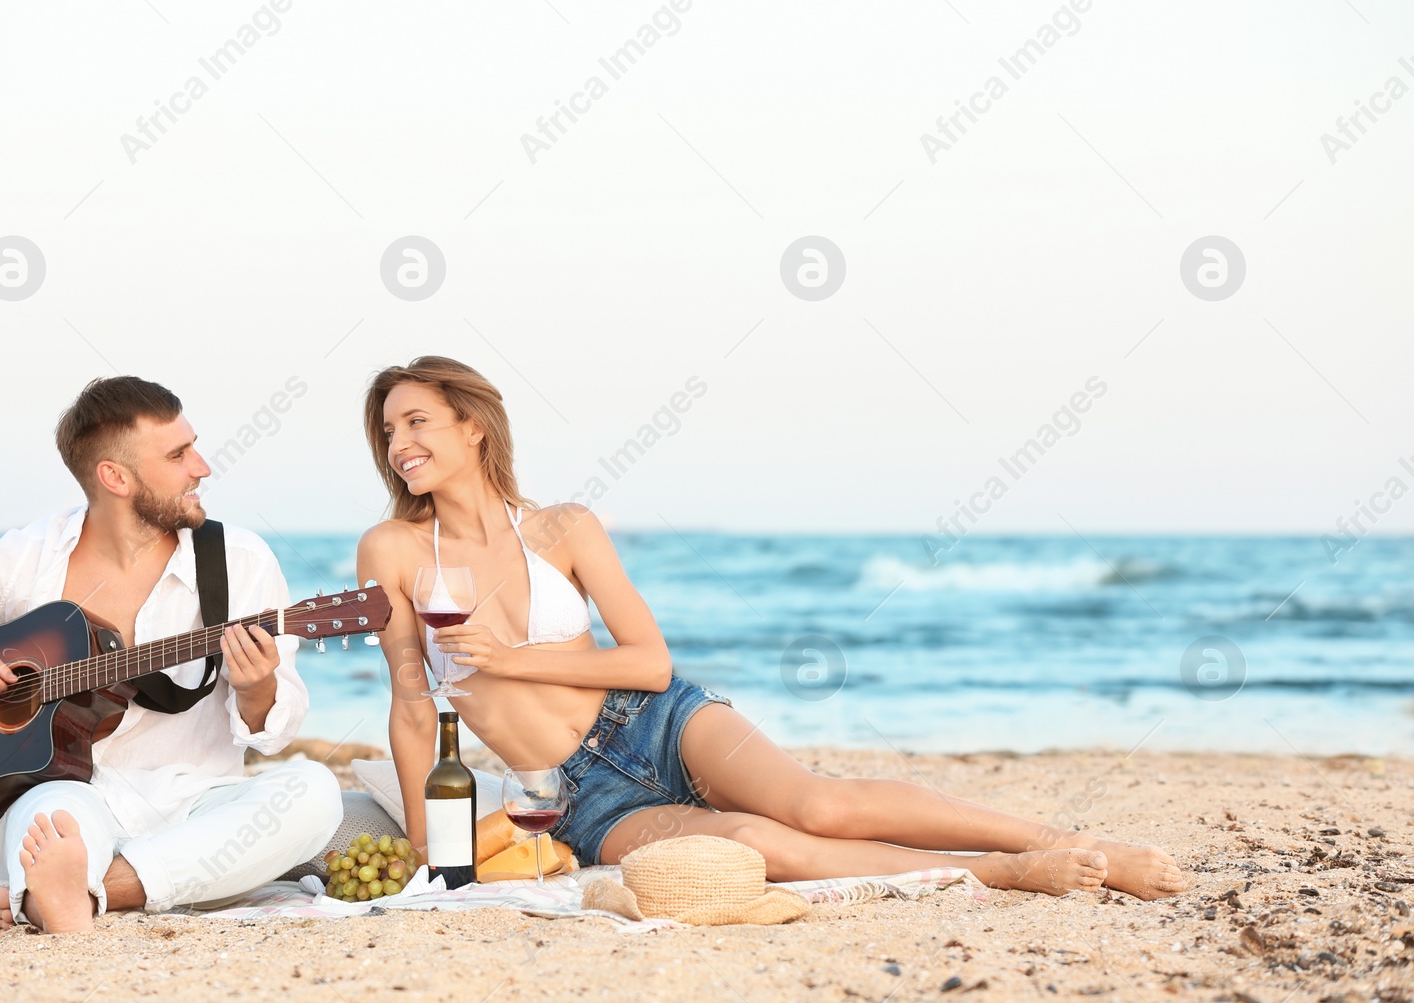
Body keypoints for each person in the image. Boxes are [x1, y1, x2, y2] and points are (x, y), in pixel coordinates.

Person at [355, 356, 1188, 900]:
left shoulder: (564, 526)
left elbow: (647, 664)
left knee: (818, 803)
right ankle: (1005, 871)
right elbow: (411, 706)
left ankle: (1066, 838)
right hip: (576, 792)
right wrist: (434, 856)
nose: (399, 442)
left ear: (473, 424)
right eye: (388, 429)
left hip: (653, 718)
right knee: (758, 845)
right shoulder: (390, 550)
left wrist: (512, 660)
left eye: (416, 420)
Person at [0, 377, 342, 933]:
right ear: (114, 476)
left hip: (197, 801)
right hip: (65, 798)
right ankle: (78, 881)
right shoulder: (31, 559)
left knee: (313, 794)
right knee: (47, 820)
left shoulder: (238, 561)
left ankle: (83, 895)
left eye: (193, 446)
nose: (203, 467)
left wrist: (257, 687)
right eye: (178, 454)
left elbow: (275, 733)